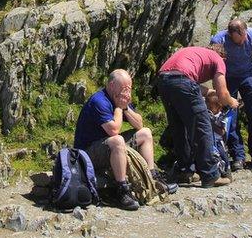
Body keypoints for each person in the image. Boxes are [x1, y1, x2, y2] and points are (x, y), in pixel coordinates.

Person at [73, 69, 177, 211]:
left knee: (145, 133)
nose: (126, 93)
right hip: (87, 153)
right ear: (111, 85)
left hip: (106, 145)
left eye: (129, 89)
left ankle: (152, 180)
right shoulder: (99, 101)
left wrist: (126, 108)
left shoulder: (120, 98)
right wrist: (119, 108)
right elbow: (113, 130)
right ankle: (122, 189)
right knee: (117, 140)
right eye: (123, 89)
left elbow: (139, 124)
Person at [158, 46, 239, 188]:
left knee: (179, 127)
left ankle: (185, 171)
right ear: (223, 57)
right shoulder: (218, 59)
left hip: (163, 80)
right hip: (182, 81)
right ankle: (210, 174)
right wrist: (232, 102)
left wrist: (210, 92)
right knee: (203, 126)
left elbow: (186, 83)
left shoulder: (195, 52)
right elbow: (223, 94)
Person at [210, 19, 252, 170]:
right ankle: (238, 156)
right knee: (231, 118)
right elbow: (214, 65)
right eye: (238, 39)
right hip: (227, 77)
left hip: (248, 75)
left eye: (243, 38)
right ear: (230, 35)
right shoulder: (219, 40)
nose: (242, 41)